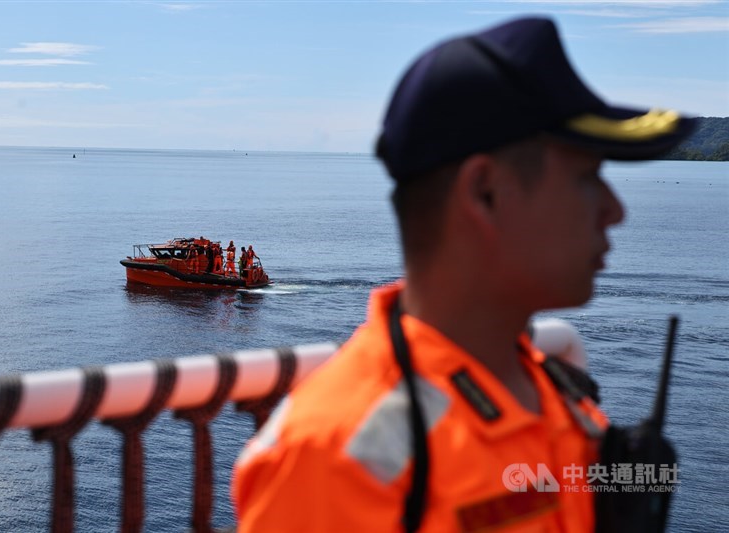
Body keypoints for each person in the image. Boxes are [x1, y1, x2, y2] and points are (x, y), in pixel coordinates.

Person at [232, 17, 694, 533]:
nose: (615, 210)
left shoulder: (559, 397)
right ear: (485, 193)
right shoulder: (334, 458)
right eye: (587, 177)